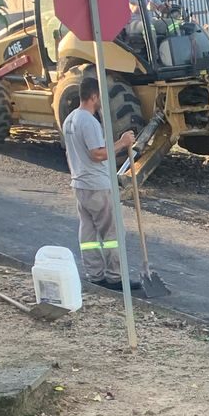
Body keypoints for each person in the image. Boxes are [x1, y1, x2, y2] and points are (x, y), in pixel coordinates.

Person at [61, 75, 138, 291]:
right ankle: (115, 276)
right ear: (94, 96)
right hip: (97, 185)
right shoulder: (89, 121)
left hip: (80, 184)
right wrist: (122, 143)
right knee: (112, 232)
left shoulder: (70, 120)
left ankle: (94, 273)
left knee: (88, 232)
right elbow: (97, 154)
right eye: (100, 97)